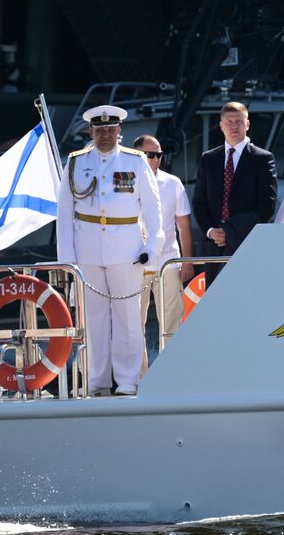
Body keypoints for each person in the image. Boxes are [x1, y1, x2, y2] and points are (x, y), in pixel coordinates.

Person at [55, 105, 163, 396]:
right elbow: (64, 212)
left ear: (119, 132)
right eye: (99, 130)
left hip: (127, 250)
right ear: (90, 132)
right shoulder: (76, 162)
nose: (105, 135)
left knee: (128, 317)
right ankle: (97, 380)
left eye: (110, 130)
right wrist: (66, 258)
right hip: (87, 248)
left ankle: (127, 381)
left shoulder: (136, 161)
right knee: (94, 318)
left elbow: (153, 210)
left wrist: (153, 247)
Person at [192, 102, 277, 282]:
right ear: (221, 126)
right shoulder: (209, 159)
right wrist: (210, 231)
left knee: (245, 298)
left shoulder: (262, 159)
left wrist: (230, 230)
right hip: (213, 245)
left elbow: (266, 206)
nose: (233, 126)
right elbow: (199, 202)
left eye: (238, 121)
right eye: (229, 122)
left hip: (246, 242)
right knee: (214, 303)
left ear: (247, 124)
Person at [133, 134, 194, 369]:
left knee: (171, 324)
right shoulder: (124, 185)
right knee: (133, 325)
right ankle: (136, 378)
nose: (155, 159)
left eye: (158, 155)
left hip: (168, 261)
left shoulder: (173, 183)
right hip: (134, 264)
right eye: (150, 154)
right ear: (138, 155)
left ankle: (172, 374)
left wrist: (186, 261)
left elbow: (184, 225)